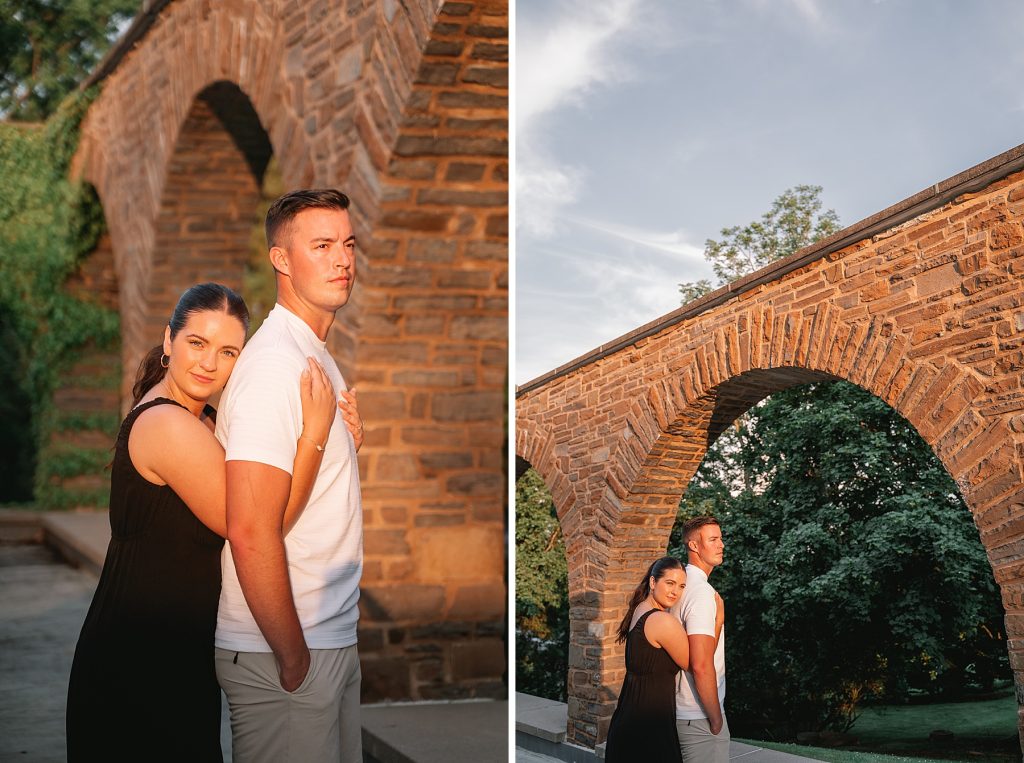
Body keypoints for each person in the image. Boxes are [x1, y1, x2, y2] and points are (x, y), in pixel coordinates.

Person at [66, 282, 342, 761]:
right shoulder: (168, 425)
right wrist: (316, 434)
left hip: (174, 654)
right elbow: (260, 524)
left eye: (228, 351)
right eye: (197, 343)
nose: (209, 363)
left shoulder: (206, 419)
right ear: (169, 341)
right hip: (139, 658)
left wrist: (339, 437)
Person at [213, 189, 365, 763]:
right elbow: (252, 527)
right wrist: (293, 657)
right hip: (285, 650)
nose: (342, 259)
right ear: (281, 259)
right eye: (321, 245)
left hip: (325, 637)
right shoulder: (277, 363)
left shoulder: (314, 352)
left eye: (347, 244)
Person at [605, 556, 690, 763]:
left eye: (681, 586)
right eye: (669, 583)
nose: (675, 592)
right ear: (653, 582)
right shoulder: (661, 620)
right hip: (650, 727)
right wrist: (717, 622)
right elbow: (695, 663)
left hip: (629, 720)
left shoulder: (639, 611)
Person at [674, 515, 728, 763]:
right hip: (698, 715)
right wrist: (716, 718)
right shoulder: (701, 593)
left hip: (682, 711)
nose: (721, 545)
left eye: (721, 538)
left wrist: (717, 623)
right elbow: (701, 664)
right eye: (714, 539)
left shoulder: (679, 585)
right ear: (694, 545)